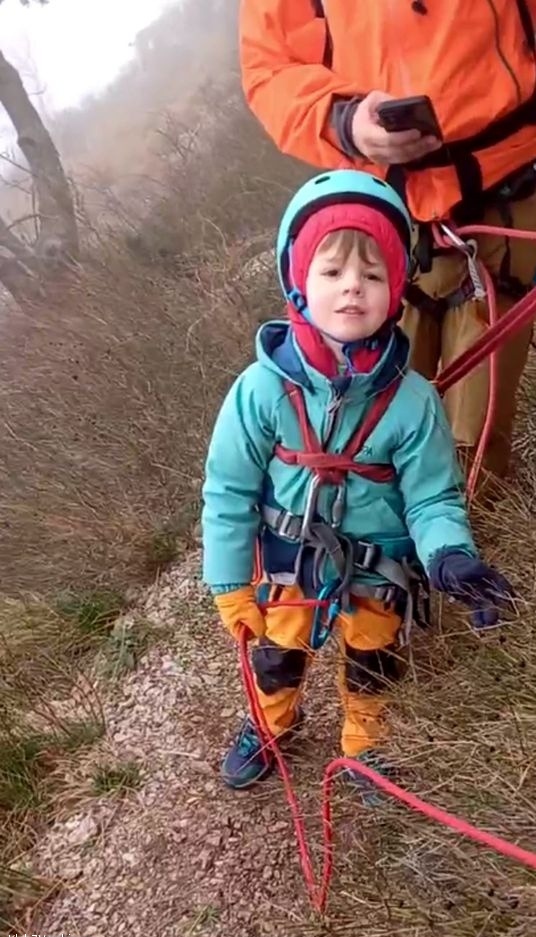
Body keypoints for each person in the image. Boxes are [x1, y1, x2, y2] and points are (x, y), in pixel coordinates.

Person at [201, 170, 514, 799]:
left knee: (374, 660)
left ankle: (367, 747)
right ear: (298, 281)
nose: (352, 287)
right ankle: (270, 724)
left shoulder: (413, 401)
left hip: (378, 571)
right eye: (332, 271)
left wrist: (451, 555)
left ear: (396, 290)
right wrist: (230, 583)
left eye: (372, 275)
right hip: (288, 566)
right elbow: (228, 490)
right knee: (276, 655)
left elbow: (432, 497)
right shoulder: (259, 390)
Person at [238, 0, 536, 488]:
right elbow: (270, 67)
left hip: (502, 191)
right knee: (371, 440)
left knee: (474, 446)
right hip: (385, 220)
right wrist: (342, 119)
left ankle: (464, 527)